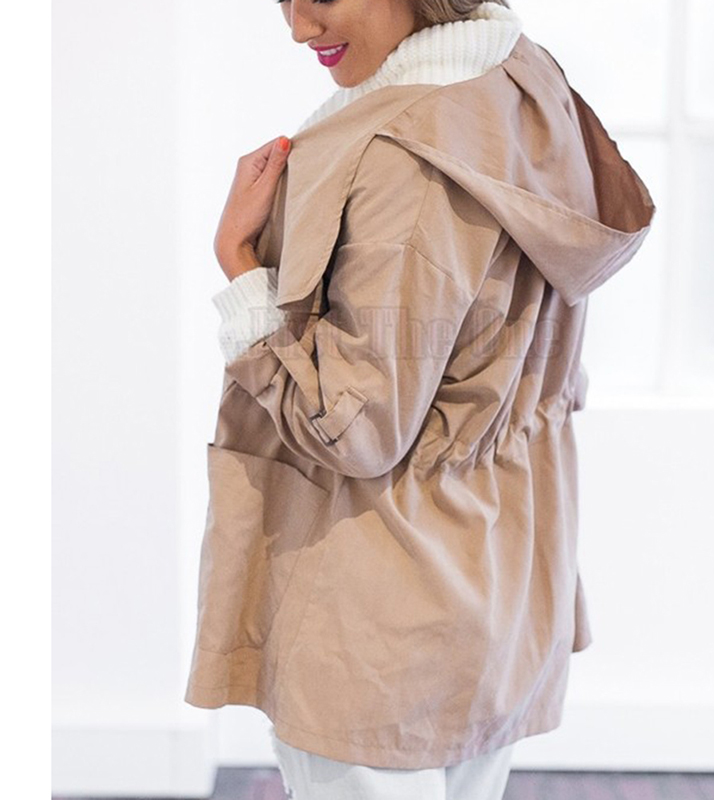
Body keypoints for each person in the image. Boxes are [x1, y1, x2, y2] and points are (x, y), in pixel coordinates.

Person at [183, 1, 655, 798]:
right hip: (497, 559)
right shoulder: (518, 79)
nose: (298, 27)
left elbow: (353, 428)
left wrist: (239, 264)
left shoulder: (403, 160)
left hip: (378, 597)